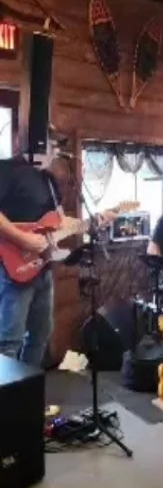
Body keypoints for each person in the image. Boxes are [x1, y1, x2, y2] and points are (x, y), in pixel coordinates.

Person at [0, 145, 65, 368]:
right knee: (10, 340)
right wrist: (23, 239)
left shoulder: (48, 179)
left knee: (40, 336)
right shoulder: (7, 169)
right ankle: (7, 390)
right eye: (49, 144)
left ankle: (29, 386)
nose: (54, 150)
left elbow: (57, 221)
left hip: (42, 269)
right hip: (13, 269)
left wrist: (97, 221)